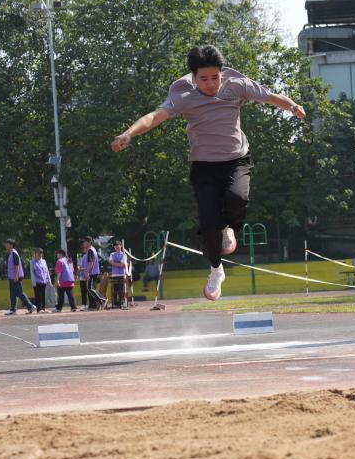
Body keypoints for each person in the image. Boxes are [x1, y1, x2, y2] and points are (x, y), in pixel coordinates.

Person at [110, 45, 306, 301]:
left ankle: (230, 227)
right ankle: (216, 270)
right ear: (194, 77)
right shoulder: (183, 94)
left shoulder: (236, 84)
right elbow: (155, 117)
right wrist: (128, 134)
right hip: (203, 165)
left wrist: (292, 106)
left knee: (237, 198)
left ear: (222, 73)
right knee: (208, 222)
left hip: (236, 159)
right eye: (204, 79)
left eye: (215, 77)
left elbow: (270, 97)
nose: (211, 84)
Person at [4, 239, 36, 315]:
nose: (5, 245)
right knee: (13, 293)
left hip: (16, 277)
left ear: (11, 245)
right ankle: (13, 310)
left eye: (7, 244)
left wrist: (16, 276)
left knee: (20, 293)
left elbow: (16, 265)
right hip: (12, 277)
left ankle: (30, 306)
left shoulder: (14, 253)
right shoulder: (11, 253)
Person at [79, 237, 105, 310]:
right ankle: (94, 305)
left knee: (90, 288)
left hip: (92, 272)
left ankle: (102, 300)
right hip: (94, 272)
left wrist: (87, 273)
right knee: (91, 288)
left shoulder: (90, 250)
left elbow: (91, 262)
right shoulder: (92, 249)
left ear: (89, 242)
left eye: (85, 242)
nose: (83, 243)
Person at [108, 241, 128, 309]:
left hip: (122, 274)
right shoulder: (112, 254)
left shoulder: (124, 254)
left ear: (121, 246)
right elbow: (110, 262)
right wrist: (118, 264)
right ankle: (116, 302)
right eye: (115, 246)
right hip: (114, 274)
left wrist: (114, 263)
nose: (117, 247)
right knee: (115, 289)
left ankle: (122, 301)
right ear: (114, 247)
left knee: (121, 289)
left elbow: (123, 265)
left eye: (118, 245)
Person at [31, 248, 51, 313]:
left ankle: (43, 308)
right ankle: (39, 309)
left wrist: (49, 280)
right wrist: (33, 282)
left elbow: (47, 271)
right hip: (36, 281)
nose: (39, 255)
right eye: (38, 254)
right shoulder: (32, 261)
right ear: (35, 254)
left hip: (44, 281)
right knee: (38, 296)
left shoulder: (44, 261)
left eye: (41, 254)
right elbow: (32, 272)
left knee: (43, 296)